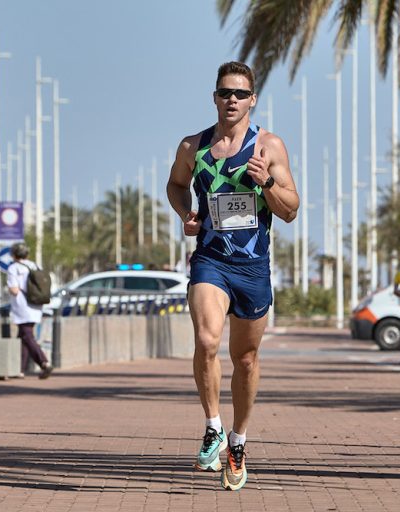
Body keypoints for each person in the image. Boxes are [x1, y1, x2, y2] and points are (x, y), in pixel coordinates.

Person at [166, 61, 299, 491]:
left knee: (245, 359)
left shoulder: (269, 147)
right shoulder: (193, 146)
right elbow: (175, 184)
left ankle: (238, 442)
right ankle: (212, 426)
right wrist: (186, 212)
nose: (232, 100)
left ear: (252, 99)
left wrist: (266, 184)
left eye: (240, 94)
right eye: (225, 93)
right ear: (214, 97)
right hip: (210, 259)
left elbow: (291, 210)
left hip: (253, 266)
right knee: (206, 340)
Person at [6, 243, 53, 379]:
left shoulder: (13, 268)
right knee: (23, 336)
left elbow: (14, 290)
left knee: (27, 336)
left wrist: (9, 289)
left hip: (22, 305)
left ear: (14, 255)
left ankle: (44, 362)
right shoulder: (35, 266)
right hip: (36, 304)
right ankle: (19, 368)